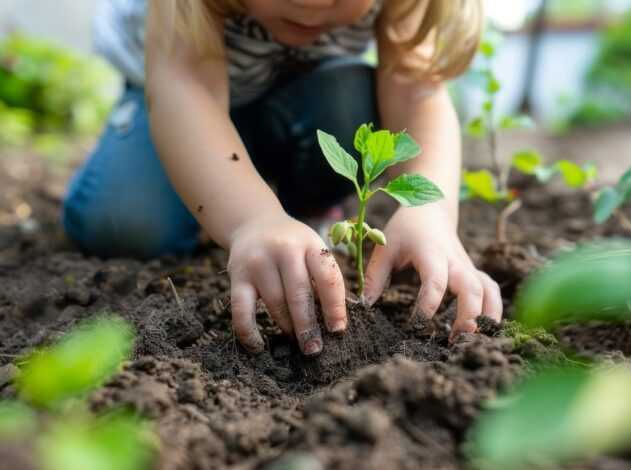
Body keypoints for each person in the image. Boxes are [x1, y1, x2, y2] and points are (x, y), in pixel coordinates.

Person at [63, 0, 502, 357]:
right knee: (123, 221)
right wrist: (250, 221)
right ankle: (223, 194)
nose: (311, 2)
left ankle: (298, 210)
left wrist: (429, 213)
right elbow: (185, 87)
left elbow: (415, 86)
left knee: (348, 103)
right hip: (178, 99)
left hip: (305, 100)